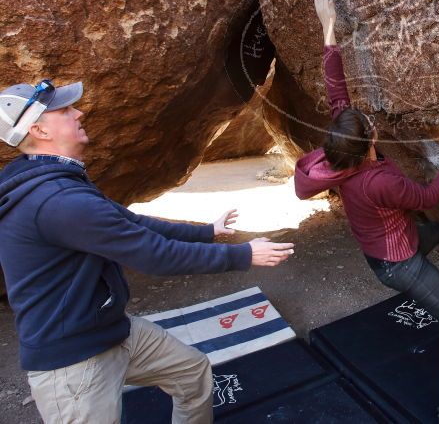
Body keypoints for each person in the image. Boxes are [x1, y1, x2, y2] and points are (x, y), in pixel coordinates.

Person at [0, 79, 295, 424]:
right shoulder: (58, 201)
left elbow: (131, 222)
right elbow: (154, 255)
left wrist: (205, 232)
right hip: (73, 362)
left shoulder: (51, 179)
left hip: (109, 330)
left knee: (192, 373)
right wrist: (243, 255)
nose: (78, 112)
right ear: (39, 130)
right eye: (64, 110)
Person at [294, 0, 439, 424]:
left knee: (433, 232)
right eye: (372, 127)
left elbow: (337, 90)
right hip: (400, 266)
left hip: (386, 244)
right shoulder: (379, 180)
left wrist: (327, 24)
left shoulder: (340, 155)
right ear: (371, 144)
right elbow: (427, 197)